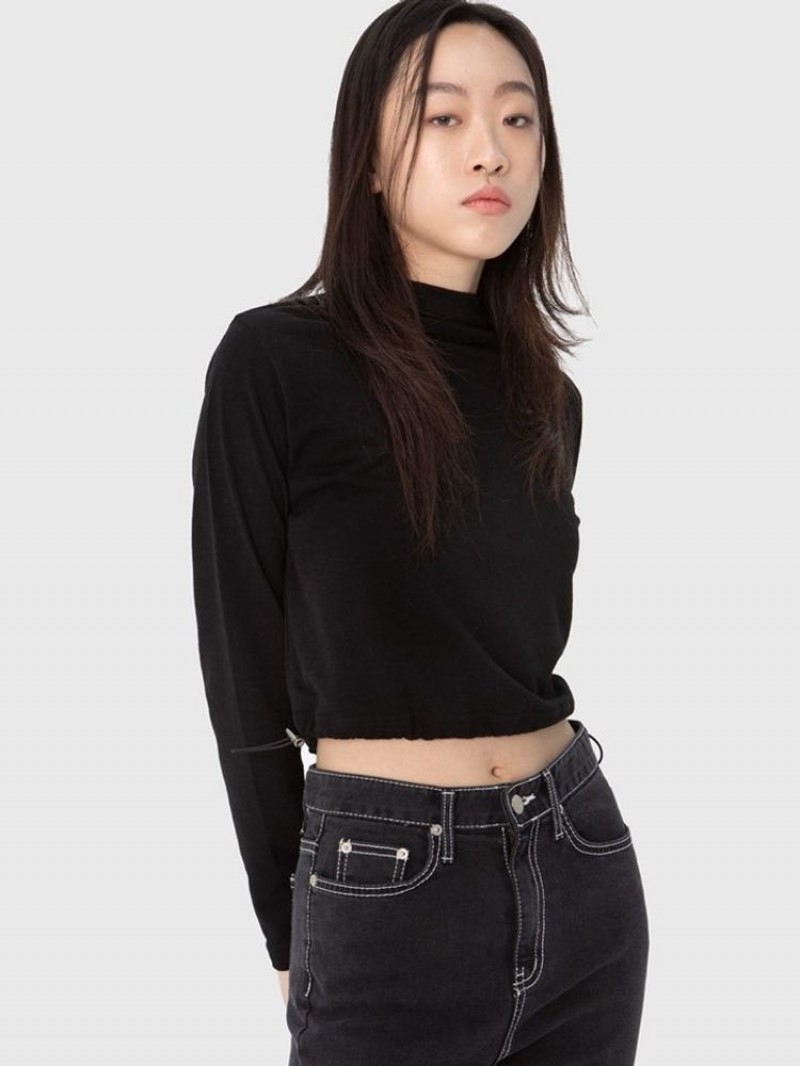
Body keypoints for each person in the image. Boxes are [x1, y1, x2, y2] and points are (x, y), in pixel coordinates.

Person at [190, 1, 649, 1062]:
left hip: (578, 854)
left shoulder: (549, 397)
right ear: (367, 157)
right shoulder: (273, 363)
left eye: (518, 118)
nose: (491, 150)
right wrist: (286, 921)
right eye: (443, 118)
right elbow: (240, 673)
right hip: (383, 882)